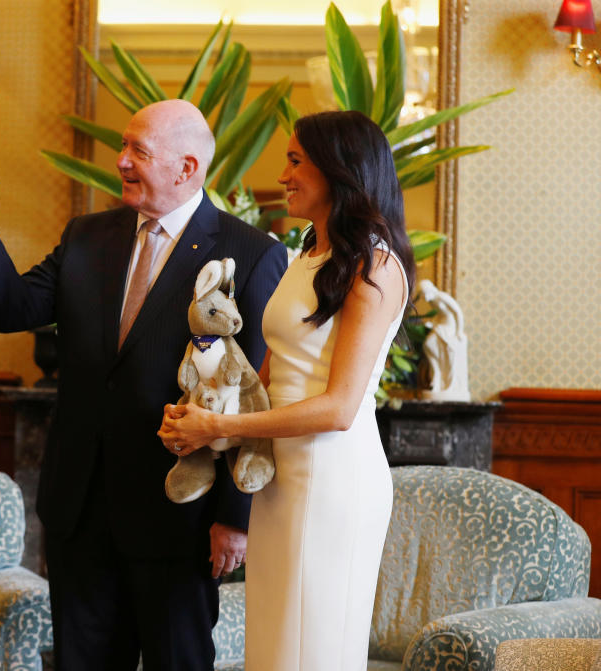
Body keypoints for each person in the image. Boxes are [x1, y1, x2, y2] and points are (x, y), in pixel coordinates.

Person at [0, 98, 287, 670]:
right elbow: (14, 307)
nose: (121, 161)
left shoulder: (252, 255)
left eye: (138, 150)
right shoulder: (88, 235)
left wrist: (235, 517)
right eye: (123, 146)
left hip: (179, 513)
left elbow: (254, 390)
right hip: (79, 507)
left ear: (185, 168)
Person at [159, 110, 416, 670]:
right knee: (275, 651)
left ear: (338, 170)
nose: (282, 174)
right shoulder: (308, 252)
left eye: (296, 160)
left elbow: (340, 408)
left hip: (332, 481)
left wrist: (222, 427)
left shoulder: (375, 265)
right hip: (279, 477)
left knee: (314, 652)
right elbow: (267, 375)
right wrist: (198, 416)